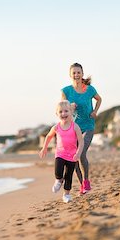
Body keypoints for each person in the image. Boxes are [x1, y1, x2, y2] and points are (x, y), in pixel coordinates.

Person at [61, 62, 102, 194]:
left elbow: (99, 99)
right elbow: (62, 109)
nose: (76, 75)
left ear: (82, 74)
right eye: (74, 72)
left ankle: (86, 181)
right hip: (74, 127)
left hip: (89, 125)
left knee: (81, 153)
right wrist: (70, 107)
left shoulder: (89, 89)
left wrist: (95, 111)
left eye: (79, 72)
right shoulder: (66, 91)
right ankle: (82, 186)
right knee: (74, 156)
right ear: (70, 75)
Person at [39, 100, 84, 203]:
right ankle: (59, 180)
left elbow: (81, 142)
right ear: (57, 114)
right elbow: (49, 136)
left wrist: (78, 153)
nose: (63, 113)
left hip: (72, 156)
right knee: (58, 171)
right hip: (60, 154)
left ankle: (66, 194)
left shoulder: (75, 127)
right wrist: (44, 148)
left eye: (66, 111)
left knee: (69, 175)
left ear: (71, 112)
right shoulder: (56, 127)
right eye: (60, 112)